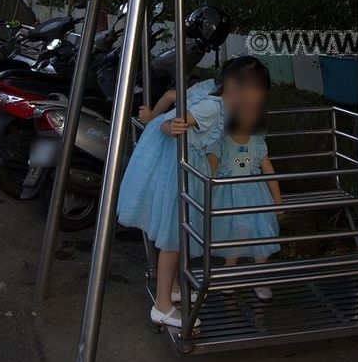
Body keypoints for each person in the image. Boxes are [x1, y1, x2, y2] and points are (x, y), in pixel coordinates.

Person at [117, 56, 271, 329]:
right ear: (236, 89)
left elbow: (171, 98)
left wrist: (153, 117)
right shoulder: (213, 107)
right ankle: (162, 306)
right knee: (174, 237)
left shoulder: (213, 94)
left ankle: (173, 287)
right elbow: (174, 123)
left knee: (176, 233)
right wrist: (167, 125)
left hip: (182, 164)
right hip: (180, 169)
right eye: (256, 90)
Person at [206, 91, 281, 301]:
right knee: (234, 235)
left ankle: (260, 278)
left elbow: (269, 171)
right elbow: (210, 170)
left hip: (256, 195)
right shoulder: (220, 142)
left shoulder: (257, 143)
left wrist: (277, 201)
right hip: (227, 196)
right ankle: (230, 275)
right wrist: (206, 193)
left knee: (261, 232)